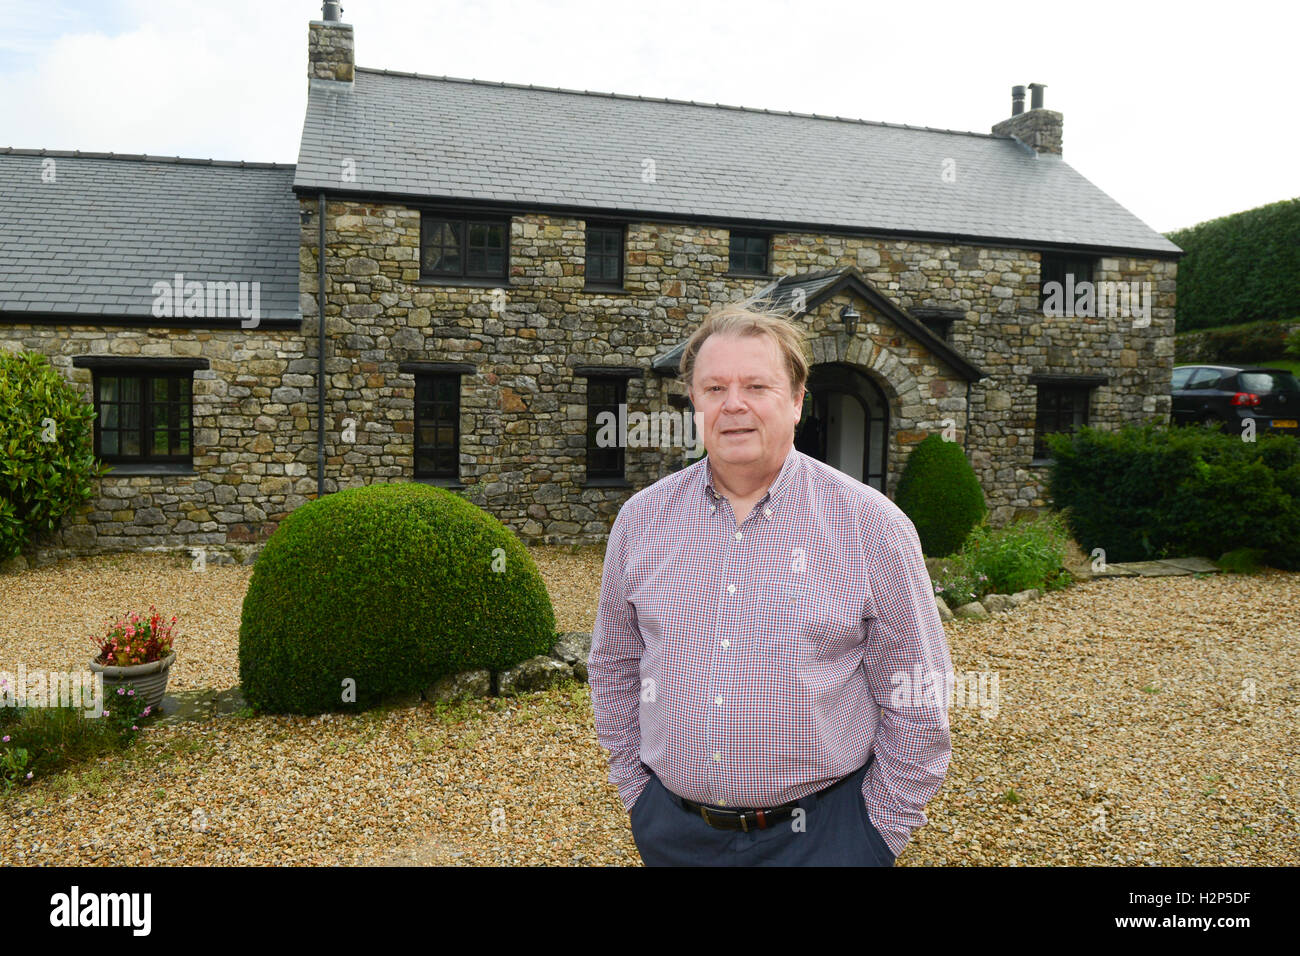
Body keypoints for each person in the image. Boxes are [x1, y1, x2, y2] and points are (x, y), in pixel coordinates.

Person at [588, 297, 953, 866]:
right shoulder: (642, 520)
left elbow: (917, 689)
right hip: (675, 835)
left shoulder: (871, 525)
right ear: (694, 402)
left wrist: (877, 832)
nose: (733, 405)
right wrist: (638, 794)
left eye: (756, 387)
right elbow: (614, 664)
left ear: (797, 400)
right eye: (714, 389)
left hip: (824, 839)